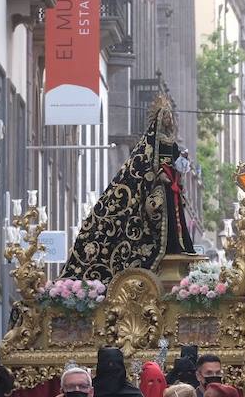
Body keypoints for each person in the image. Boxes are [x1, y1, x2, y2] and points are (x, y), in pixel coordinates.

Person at [60, 95, 195, 279]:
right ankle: (161, 245)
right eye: (165, 115)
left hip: (171, 186)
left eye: (169, 115)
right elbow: (143, 164)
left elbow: (177, 165)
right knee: (159, 209)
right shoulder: (151, 141)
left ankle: (177, 244)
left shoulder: (172, 143)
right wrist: (157, 175)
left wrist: (182, 163)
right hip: (159, 186)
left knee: (175, 214)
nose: (168, 119)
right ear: (158, 118)